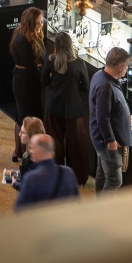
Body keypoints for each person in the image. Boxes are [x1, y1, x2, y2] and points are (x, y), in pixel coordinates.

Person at [42, 30, 94, 181]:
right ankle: (77, 177)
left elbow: (44, 81)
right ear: (71, 45)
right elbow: (86, 87)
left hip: (54, 107)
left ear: (57, 46)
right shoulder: (79, 64)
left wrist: (53, 78)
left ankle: (55, 175)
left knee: (54, 143)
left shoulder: (51, 61)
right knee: (75, 145)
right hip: (73, 109)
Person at [89, 46, 132, 193]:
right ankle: (105, 207)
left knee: (102, 173)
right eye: (126, 66)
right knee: (114, 180)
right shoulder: (106, 86)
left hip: (101, 138)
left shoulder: (99, 75)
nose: (127, 69)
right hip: (107, 142)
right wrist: (110, 140)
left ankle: (99, 205)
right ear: (120, 66)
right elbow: (102, 117)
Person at [11, 5, 46, 155]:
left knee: (22, 116)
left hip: (29, 81)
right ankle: (24, 153)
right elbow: (31, 67)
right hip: (25, 84)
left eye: (41, 22)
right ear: (29, 23)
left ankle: (19, 152)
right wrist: (45, 78)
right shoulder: (21, 40)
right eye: (37, 23)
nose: (40, 26)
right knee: (24, 118)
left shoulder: (31, 34)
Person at [14, 133, 78, 209]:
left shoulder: (31, 178)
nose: (30, 151)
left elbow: (19, 209)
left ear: (39, 152)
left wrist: (15, 184)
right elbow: (77, 202)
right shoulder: (69, 172)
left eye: (31, 148)